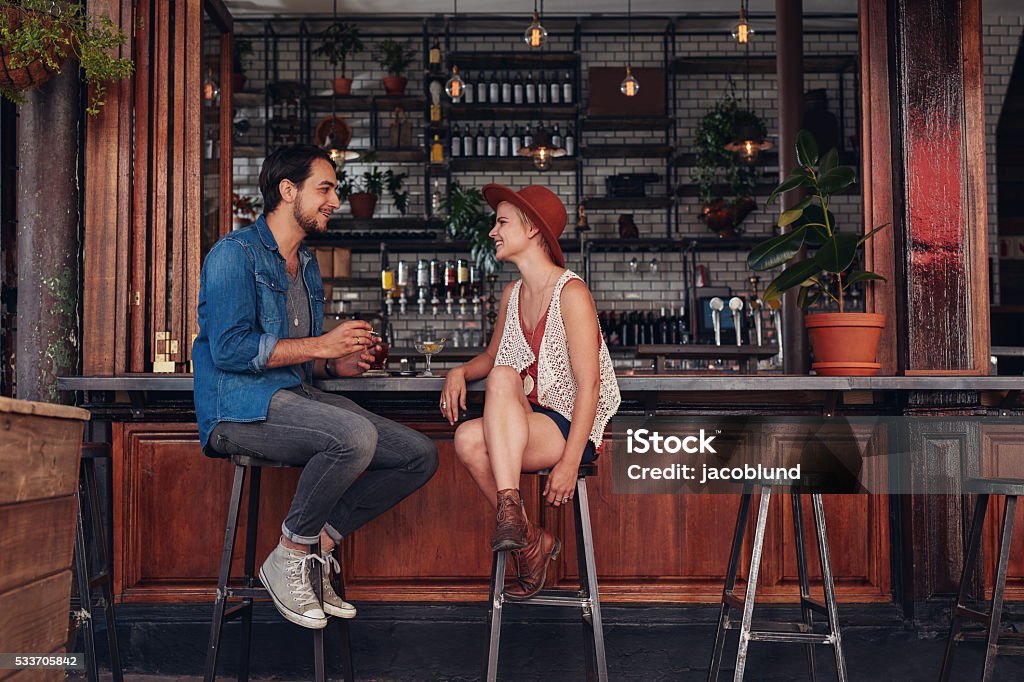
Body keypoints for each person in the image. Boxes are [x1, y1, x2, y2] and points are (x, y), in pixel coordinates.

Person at [192, 144, 438, 629]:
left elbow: (301, 358)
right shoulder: (233, 254)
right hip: (236, 410)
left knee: (419, 454)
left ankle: (315, 548)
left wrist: (336, 364)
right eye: (324, 189)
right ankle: (287, 555)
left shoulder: (306, 265)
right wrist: (321, 346)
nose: (335, 201)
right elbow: (229, 350)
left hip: (293, 398)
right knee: (353, 437)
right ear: (288, 191)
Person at [441, 184, 620, 599]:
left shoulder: (572, 293)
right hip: (529, 419)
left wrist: (571, 462)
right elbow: (491, 356)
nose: (493, 232)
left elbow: (590, 386)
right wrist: (460, 372)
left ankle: (517, 525)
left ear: (533, 230)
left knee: (500, 383)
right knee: (468, 434)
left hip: (570, 424)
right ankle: (527, 531)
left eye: (501, 222)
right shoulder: (513, 294)